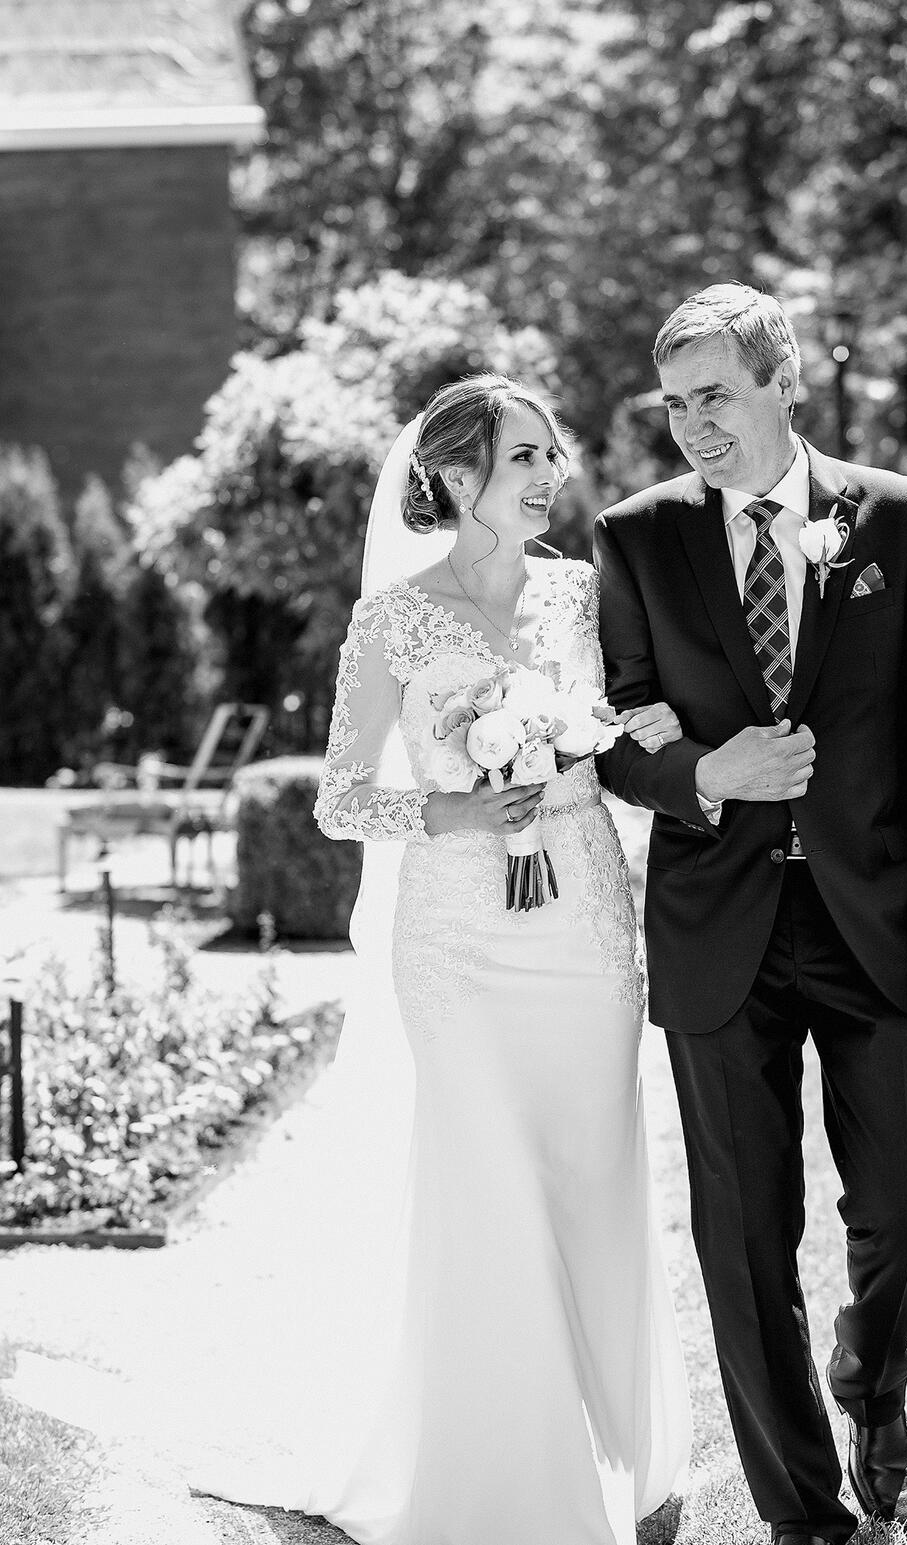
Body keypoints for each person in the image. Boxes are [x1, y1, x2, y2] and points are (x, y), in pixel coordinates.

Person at [594, 283, 907, 1545]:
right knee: (742, 1239)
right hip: (715, 932)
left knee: (906, 1208)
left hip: (872, 917)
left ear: (782, 382)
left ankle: (869, 1379)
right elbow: (614, 728)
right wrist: (703, 775)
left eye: (713, 395)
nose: (692, 428)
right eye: (674, 405)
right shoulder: (636, 535)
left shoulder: (892, 516)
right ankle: (802, 1519)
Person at [297, 373, 690, 1544]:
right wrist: (458, 813)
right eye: (522, 458)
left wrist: (625, 737)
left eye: (549, 456)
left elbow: (631, 717)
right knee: (491, 1188)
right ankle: (510, 1480)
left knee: (590, 1174)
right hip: (457, 940)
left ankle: (623, 1454)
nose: (547, 477)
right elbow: (339, 798)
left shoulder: (584, 590)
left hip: (580, 925)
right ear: (456, 475)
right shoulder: (391, 620)